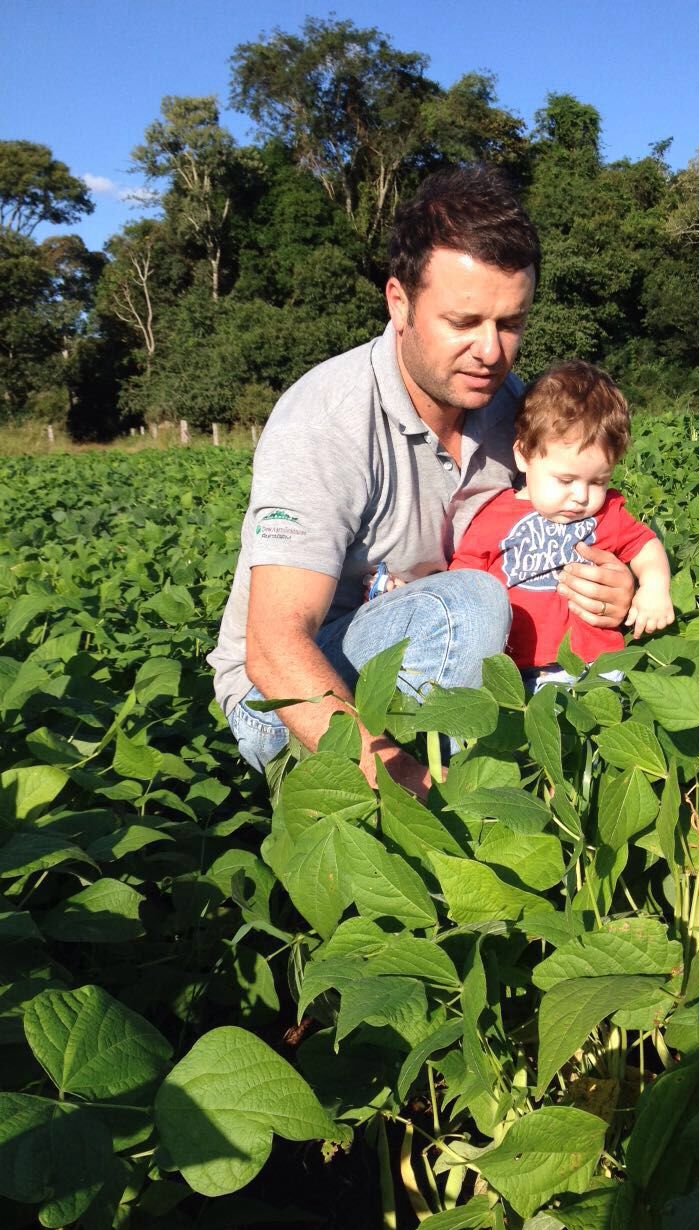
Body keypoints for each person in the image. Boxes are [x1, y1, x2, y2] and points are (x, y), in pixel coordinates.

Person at [207, 167, 637, 796]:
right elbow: (273, 649)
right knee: (466, 604)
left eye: (510, 323)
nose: (491, 351)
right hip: (286, 696)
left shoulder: (516, 414)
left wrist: (614, 585)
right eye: (463, 322)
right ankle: (446, 795)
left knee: (502, 638)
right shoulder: (325, 421)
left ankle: (511, 783)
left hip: (444, 648)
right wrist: (406, 786)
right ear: (399, 303)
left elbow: (568, 527)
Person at [448, 361, 674, 684]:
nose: (581, 496)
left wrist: (654, 588)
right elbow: (461, 584)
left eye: (598, 481)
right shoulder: (492, 517)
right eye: (566, 480)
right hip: (518, 670)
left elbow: (646, 546)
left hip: (597, 662)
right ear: (524, 455)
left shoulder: (605, 513)